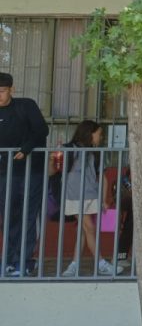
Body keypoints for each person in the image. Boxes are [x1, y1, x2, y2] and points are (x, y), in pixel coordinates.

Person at [59, 121, 123, 276]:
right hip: (74, 196)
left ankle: (74, 265)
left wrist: (103, 200)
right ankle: (100, 263)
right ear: (89, 133)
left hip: (90, 195)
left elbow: (103, 178)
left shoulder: (96, 152)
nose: (100, 137)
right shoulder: (69, 149)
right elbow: (56, 169)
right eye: (99, 134)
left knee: (83, 230)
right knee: (90, 228)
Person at [0, 71, 49, 277]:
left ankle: (25, 261)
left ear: (12, 89)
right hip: (4, 174)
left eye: (2, 91)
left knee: (28, 217)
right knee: (8, 218)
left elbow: (41, 130)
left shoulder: (25, 105)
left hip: (31, 172)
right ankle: (10, 260)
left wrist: (26, 148)